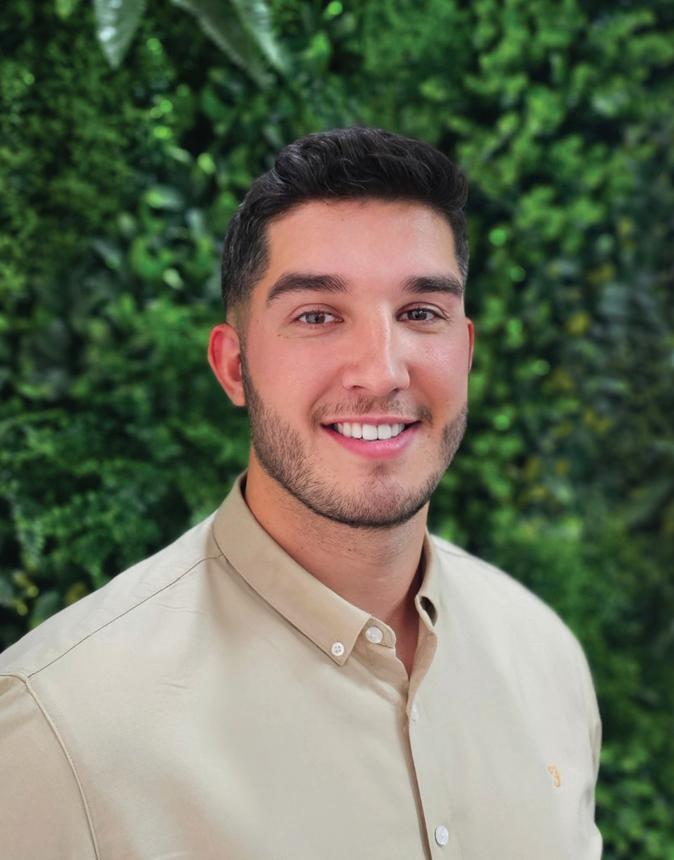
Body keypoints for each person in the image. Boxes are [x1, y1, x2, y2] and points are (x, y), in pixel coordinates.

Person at [0, 127, 601, 859]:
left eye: (421, 313)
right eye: (317, 316)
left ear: (466, 350)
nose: (382, 372)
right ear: (234, 366)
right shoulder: (57, 730)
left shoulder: (545, 657)